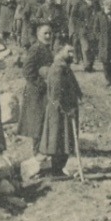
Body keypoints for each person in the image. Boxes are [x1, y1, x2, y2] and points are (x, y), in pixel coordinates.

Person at [40, 43, 83, 177]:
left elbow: (73, 84)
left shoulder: (64, 68)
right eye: (68, 52)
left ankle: (58, 170)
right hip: (60, 112)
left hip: (65, 111)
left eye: (72, 52)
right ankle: (56, 171)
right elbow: (56, 95)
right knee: (58, 142)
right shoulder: (58, 69)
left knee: (64, 141)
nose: (72, 55)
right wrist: (66, 109)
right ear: (59, 52)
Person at [17, 23, 55, 150]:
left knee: (43, 120)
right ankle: (37, 151)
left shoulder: (46, 48)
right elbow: (27, 70)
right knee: (37, 122)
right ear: (38, 35)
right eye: (45, 33)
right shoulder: (36, 49)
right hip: (36, 91)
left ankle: (42, 149)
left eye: (50, 33)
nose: (48, 36)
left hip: (43, 90)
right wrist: (40, 84)